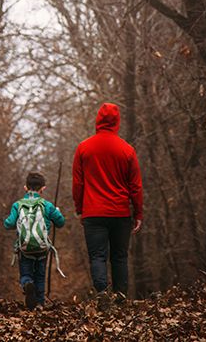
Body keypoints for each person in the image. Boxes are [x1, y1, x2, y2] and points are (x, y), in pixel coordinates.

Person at [72, 102, 143, 298]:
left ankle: (102, 292)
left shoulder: (83, 148)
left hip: (93, 213)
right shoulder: (127, 150)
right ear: (117, 122)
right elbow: (135, 186)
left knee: (98, 256)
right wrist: (138, 213)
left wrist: (80, 209)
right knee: (119, 257)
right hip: (120, 213)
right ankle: (120, 297)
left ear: (98, 120)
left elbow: (78, 183)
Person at [4, 171, 65, 309]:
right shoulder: (47, 205)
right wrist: (57, 212)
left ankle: (27, 284)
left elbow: (8, 224)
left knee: (26, 273)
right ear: (43, 188)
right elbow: (61, 223)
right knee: (40, 275)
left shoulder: (17, 205)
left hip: (24, 248)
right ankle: (39, 304)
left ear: (25, 187)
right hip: (42, 248)